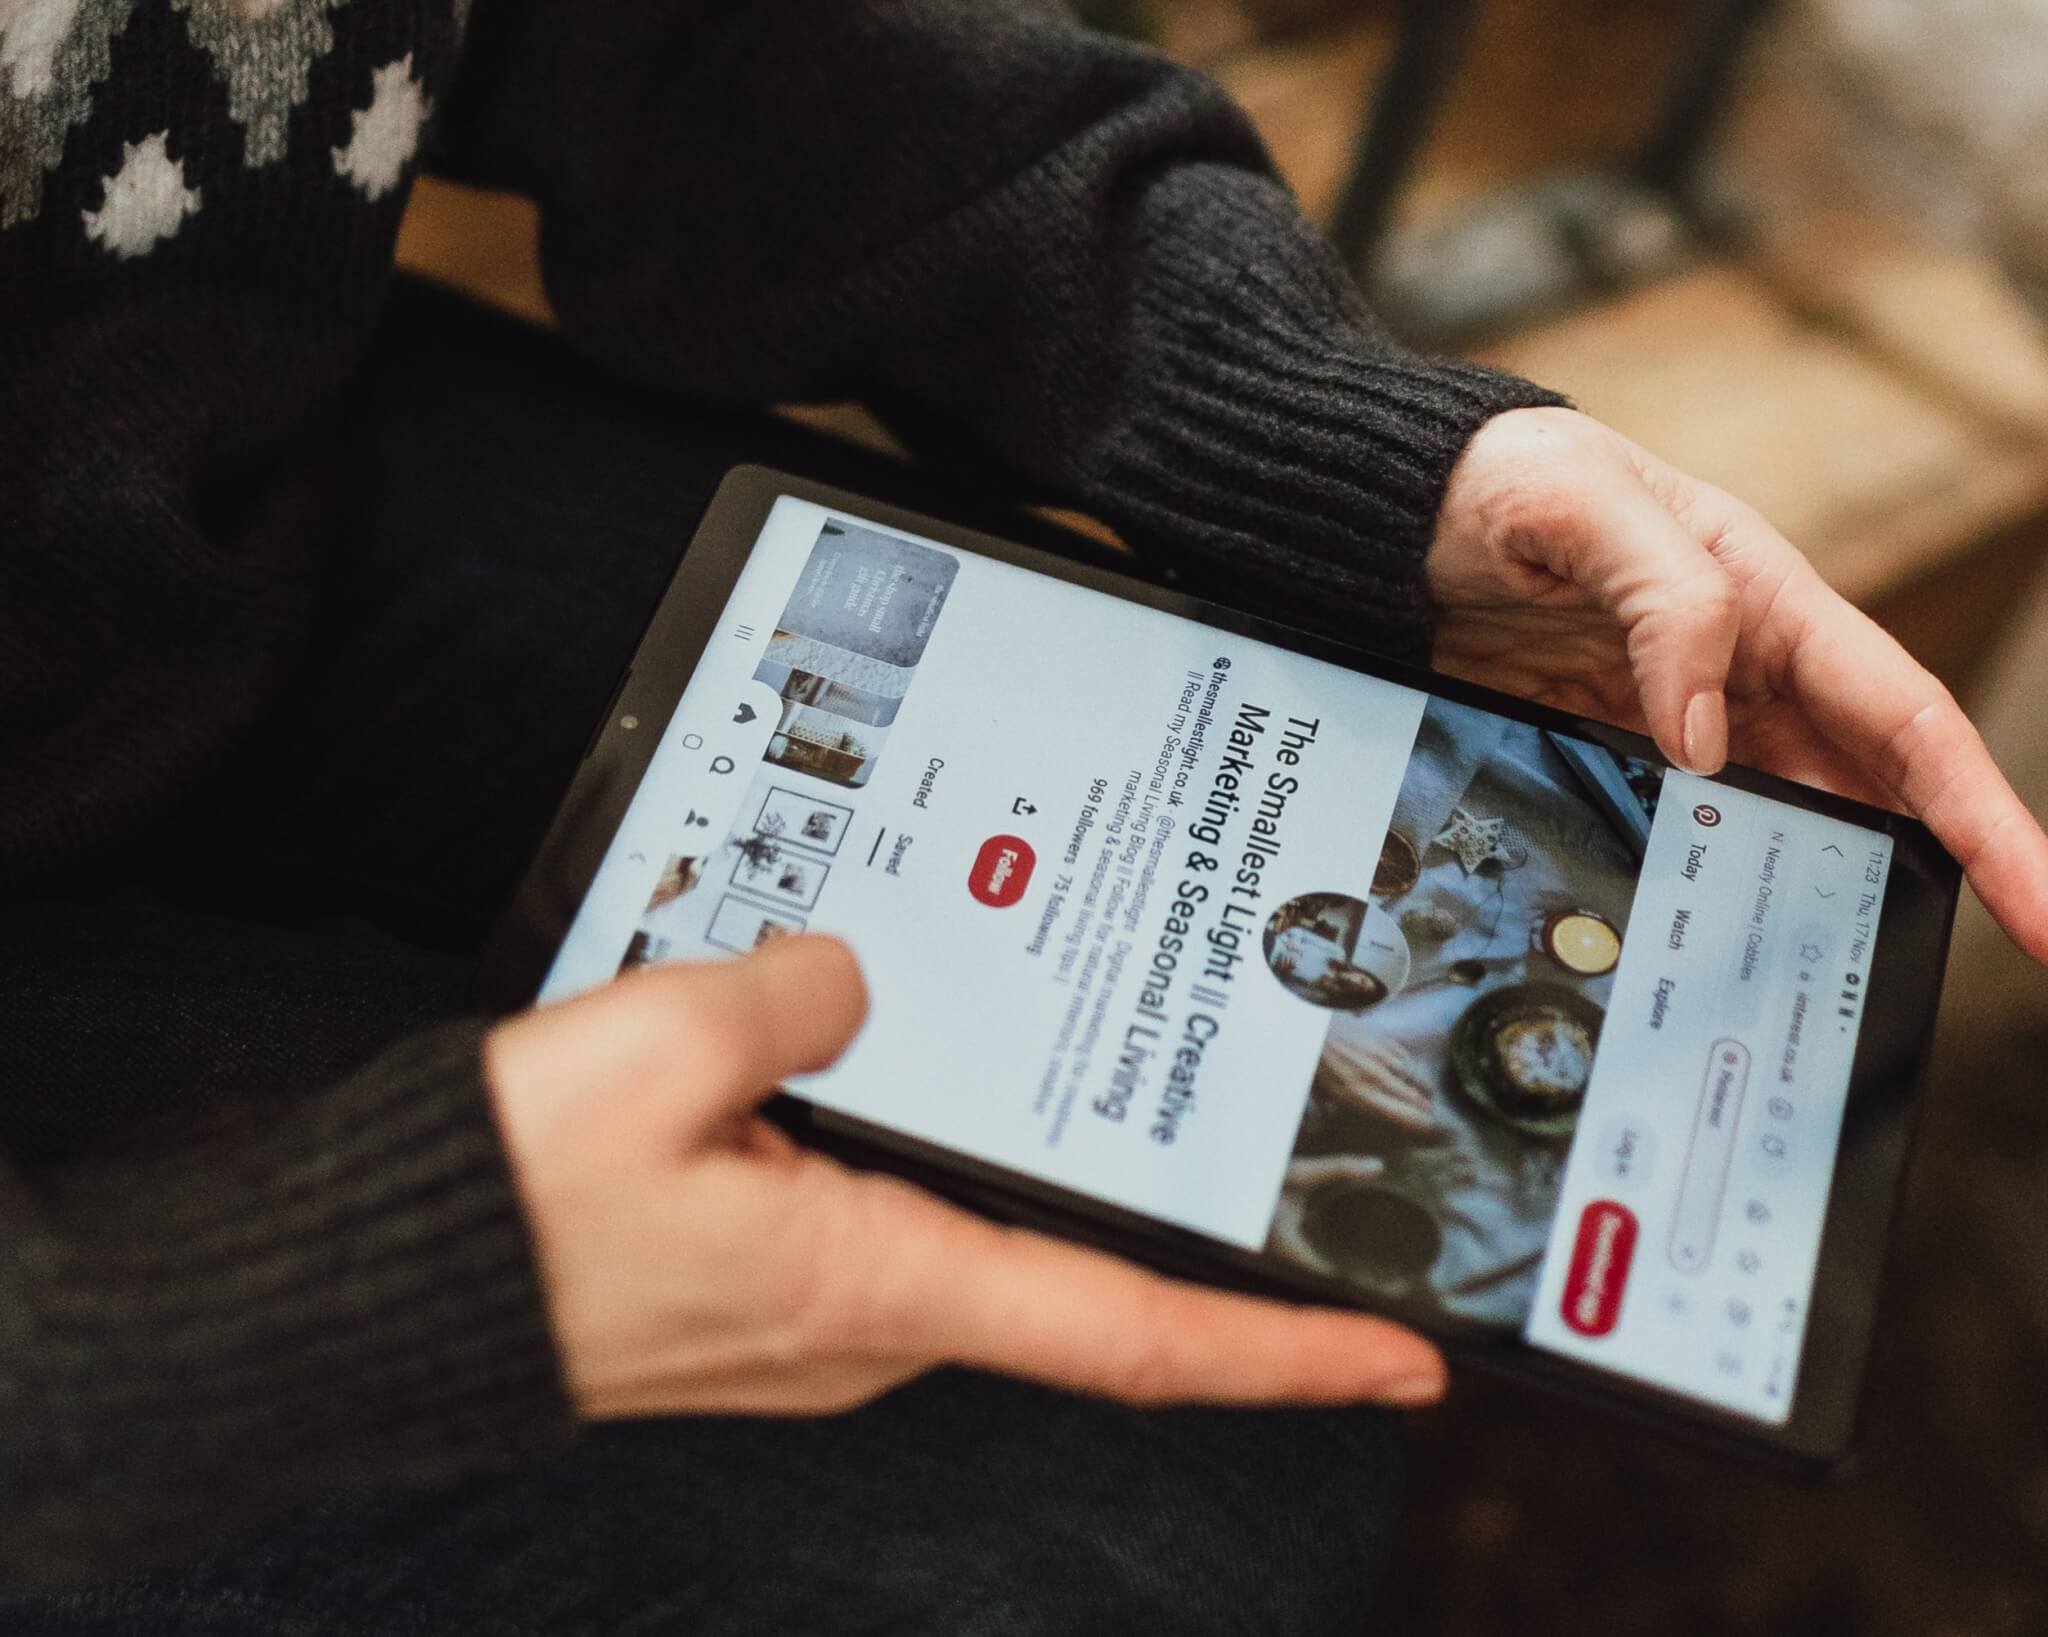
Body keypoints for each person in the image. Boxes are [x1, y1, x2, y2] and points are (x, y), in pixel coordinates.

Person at [3, 2, 2045, 1631]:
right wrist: (263, 1326)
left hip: (190, 490)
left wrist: (1298, 414)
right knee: (1127, 1536)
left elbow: (679, 47)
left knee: (1251, 1105)